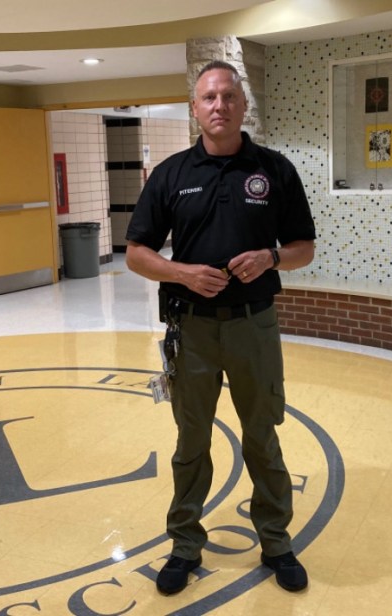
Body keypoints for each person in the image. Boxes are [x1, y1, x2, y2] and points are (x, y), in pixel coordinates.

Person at [125, 60, 316, 595]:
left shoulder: (275, 170)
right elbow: (136, 253)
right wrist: (182, 272)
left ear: (243, 105)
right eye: (209, 97)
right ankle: (185, 544)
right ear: (195, 108)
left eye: (229, 96)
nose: (219, 106)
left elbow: (304, 248)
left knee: (262, 435)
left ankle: (276, 541)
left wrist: (271, 257)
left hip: (254, 327)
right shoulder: (171, 175)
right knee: (191, 439)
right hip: (192, 329)